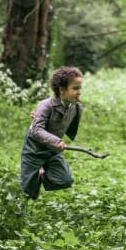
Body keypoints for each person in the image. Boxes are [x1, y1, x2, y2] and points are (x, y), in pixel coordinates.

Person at [20, 66, 83, 200]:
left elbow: (61, 120)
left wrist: (55, 141)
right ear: (61, 90)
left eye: (80, 88)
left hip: (52, 149)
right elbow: (37, 130)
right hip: (34, 147)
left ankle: (40, 176)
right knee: (27, 192)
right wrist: (56, 140)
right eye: (75, 88)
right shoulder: (46, 105)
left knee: (65, 180)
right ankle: (29, 183)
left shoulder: (75, 107)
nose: (79, 92)